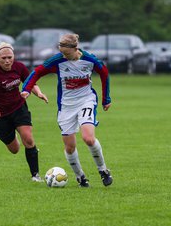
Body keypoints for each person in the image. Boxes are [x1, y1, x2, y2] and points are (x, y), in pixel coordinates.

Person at [21, 34, 113, 187]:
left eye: (67, 53)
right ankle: (81, 177)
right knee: (70, 147)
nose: (64, 56)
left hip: (86, 100)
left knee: (88, 138)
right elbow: (37, 72)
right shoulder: (57, 60)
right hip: (66, 106)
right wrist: (27, 90)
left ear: (75, 49)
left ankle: (103, 170)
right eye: (62, 52)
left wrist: (106, 99)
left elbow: (104, 73)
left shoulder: (90, 60)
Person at [0, 42, 48, 182]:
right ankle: (13, 133)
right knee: (14, 149)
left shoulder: (19, 67)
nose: (7, 61)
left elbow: (29, 81)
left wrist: (38, 93)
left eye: (10, 57)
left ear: (14, 56)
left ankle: (35, 175)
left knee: (28, 138)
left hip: (18, 107)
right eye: (4, 58)